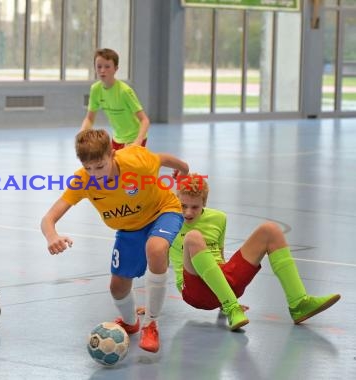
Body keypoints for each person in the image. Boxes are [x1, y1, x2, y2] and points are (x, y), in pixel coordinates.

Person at [40, 129, 189, 353]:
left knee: (156, 248)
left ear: (112, 153)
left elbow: (162, 158)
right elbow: (49, 218)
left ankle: (151, 324)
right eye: (88, 168)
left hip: (162, 210)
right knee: (117, 287)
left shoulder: (136, 161)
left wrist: (183, 169)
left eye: (100, 166)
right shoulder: (82, 180)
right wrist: (52, 236)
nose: (95, 174)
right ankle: (130, 322)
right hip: (129, 228)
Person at [169, 173, 340, 330]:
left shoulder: (219, 218)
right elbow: (157, 262)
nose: (188, 212)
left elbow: (219, 257)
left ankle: (299, 303)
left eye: (194, 207)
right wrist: (150, 309)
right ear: (177, 200)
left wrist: (222, 296)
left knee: (270, 229)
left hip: (223, 283)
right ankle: (232, 308)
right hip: (193, 290)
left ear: (204, 203)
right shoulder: (169, 221)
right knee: (193, 237)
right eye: (183, 206)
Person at [80, 48, 150, 150]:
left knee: (125, 165)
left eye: (107, 67)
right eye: (99, 67)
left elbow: (145, 120)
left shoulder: (125, 91)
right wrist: (82, 134)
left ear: (116, 69)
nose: (102, 70)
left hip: (135, 138)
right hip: (117, 139)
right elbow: (89, 119)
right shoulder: (95, 89)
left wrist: (137, 142)